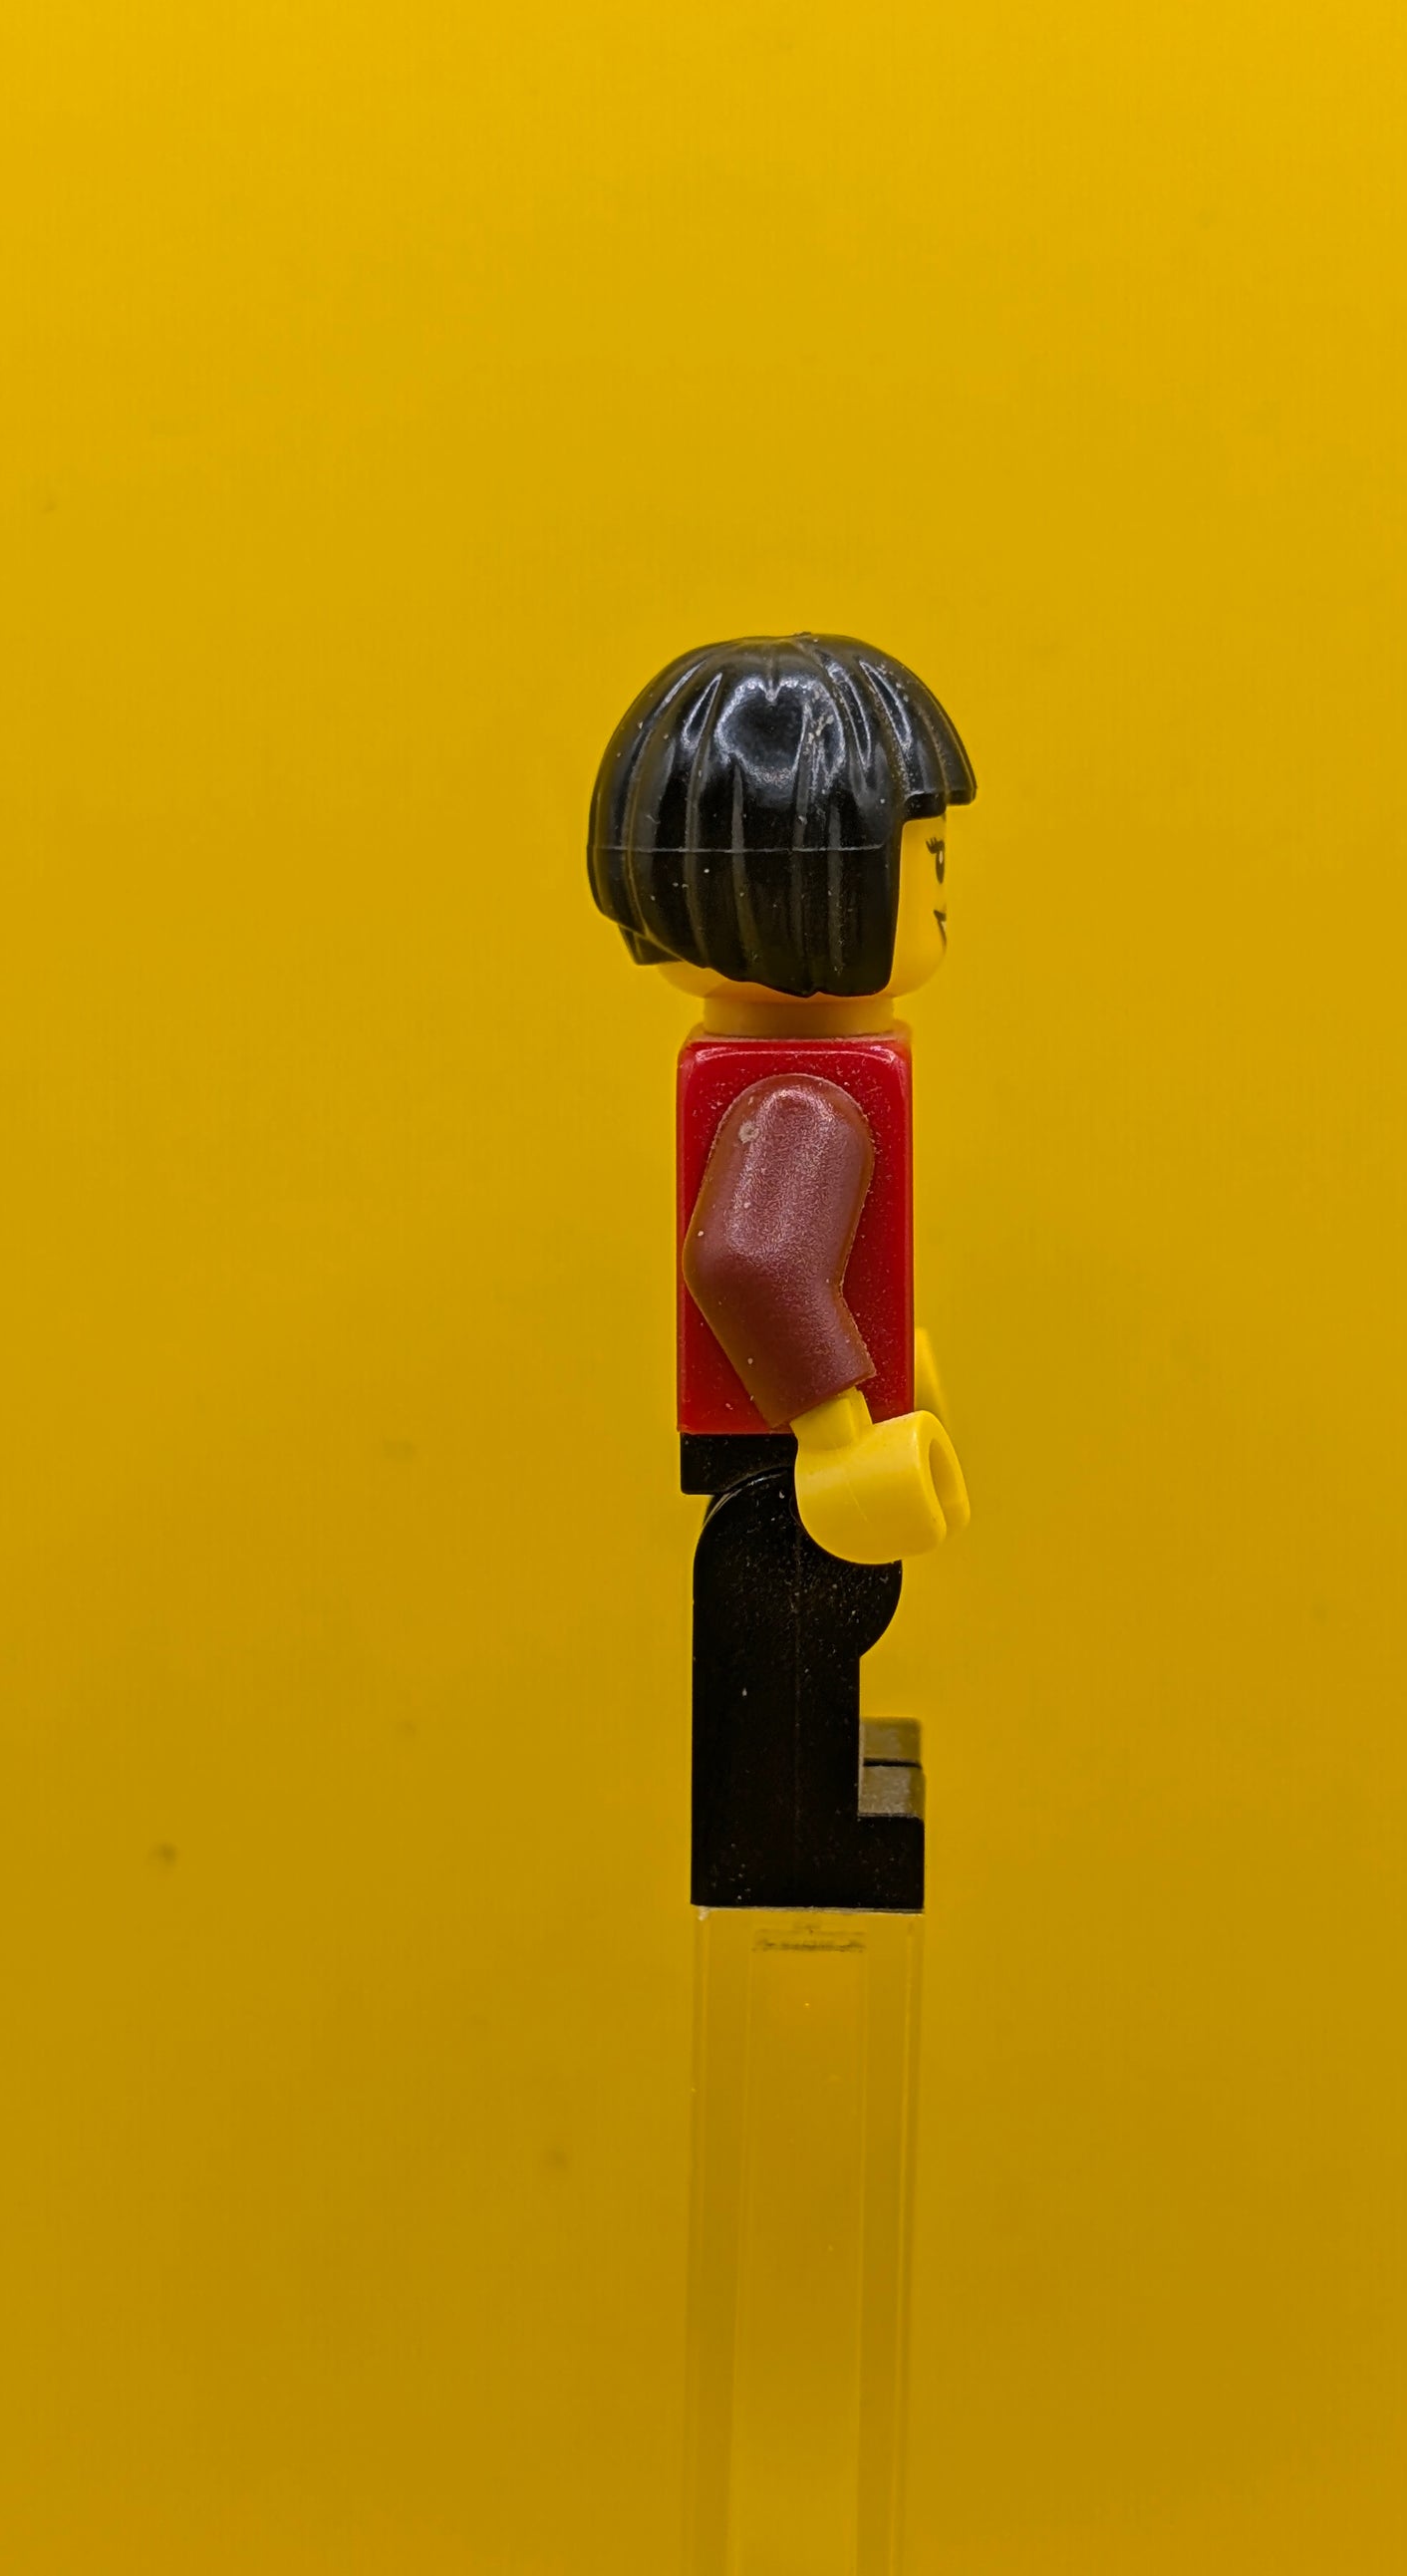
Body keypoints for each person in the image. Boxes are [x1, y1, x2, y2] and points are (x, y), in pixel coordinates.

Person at [589, 635, 977, 1907]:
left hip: (793, 1461)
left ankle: (811, 1846)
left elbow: (828, 1264)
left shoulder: (819, 1081)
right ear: (813, 882)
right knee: (787, 1753)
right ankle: (806, 1858)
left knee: (803, 1706)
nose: (942, 889)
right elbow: (750, 1259)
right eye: (922, 857)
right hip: (786, 1481)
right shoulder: (805, 1102)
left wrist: (897, 1367)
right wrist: (835, 1435)